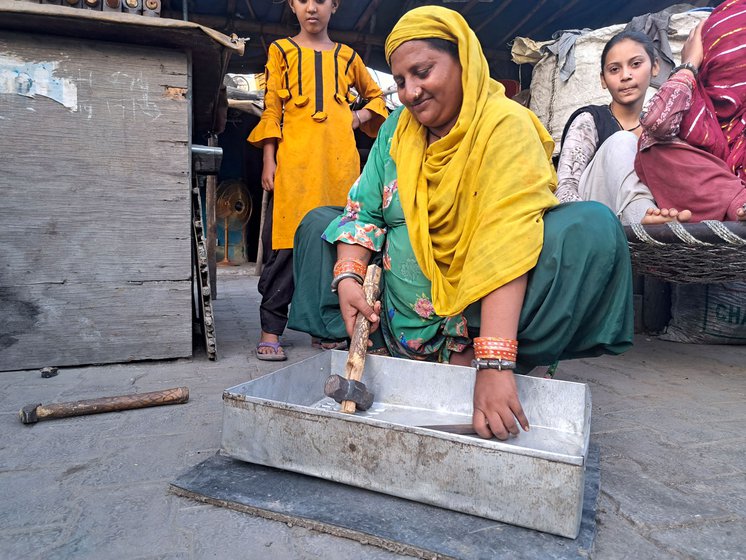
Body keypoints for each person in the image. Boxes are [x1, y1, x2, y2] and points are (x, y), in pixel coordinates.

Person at [287, 6, 634, 440]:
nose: (411, 92)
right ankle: (380, 353)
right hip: (392, 316)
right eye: (400, 81)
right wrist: (350, 280)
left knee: (589, 228)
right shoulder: (396, 130)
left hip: (484, 316)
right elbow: (363, 210)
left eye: (423, 72)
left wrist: (494, 363)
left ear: (462, 60)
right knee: (318, 223)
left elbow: (506, 241)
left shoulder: (506, 126)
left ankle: (487, 361)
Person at [248, 0, 387, 360]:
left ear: (334, 6)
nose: (313, 7)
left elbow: (376, 99)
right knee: (286, 243)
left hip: (339, 165)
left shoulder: (348, 56)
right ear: (292, 5)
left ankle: (325, 329)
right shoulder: (281, 51)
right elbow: (272, 111)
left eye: (322, 0)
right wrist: (269, 160)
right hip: (295, 165)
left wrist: (355, 119)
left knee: (335, 242)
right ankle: (270, 330)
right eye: (304, 0)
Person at [556, 31, 692, 224]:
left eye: (635, 64)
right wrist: (585, 224)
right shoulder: (590, 119)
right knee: (623, 140)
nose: (625, 76)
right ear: (603, 80)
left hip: (659, 214)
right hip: (595, 218)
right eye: (614, 70)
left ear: (655, 67)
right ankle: (640, 216)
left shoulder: (662, 126)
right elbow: (566, 186)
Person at [634, 0, 746, 222]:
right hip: (720, 208)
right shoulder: (694, 107)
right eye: (724, 57)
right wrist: (689, 66)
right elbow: (657, 123)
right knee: (652, 148)